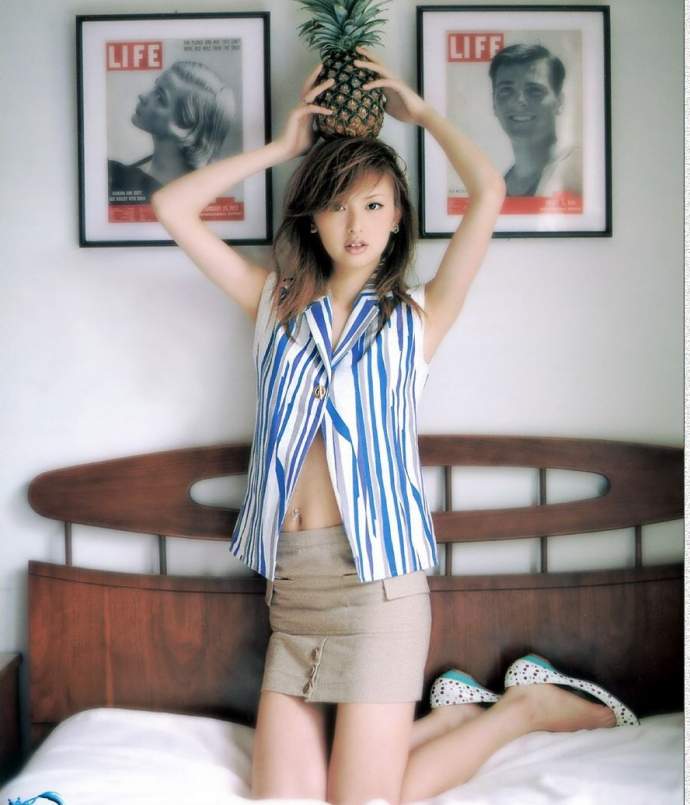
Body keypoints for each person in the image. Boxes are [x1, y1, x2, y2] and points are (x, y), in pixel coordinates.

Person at [151, 48, 635, 804]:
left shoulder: (418, 317)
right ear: (312, 216)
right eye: (338, 205)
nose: (356, 224)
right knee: (283, 801)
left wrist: (425, 114)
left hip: (378, 586)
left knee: (365, 801)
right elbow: (171, 207)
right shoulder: (272, 304)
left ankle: (523, 709)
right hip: (293, 588)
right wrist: (280, 148)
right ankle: (461, 712)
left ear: (399, 215)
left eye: (374, 205)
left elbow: (489, 191)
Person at [108, 60, 236, 204]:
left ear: (184, 128)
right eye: (154, 88)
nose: (142, 96)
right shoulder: (118, 175)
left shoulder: (192, 200)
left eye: (160, 97)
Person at [489, 44, 582, 198]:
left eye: (534, 90)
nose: (519, 101)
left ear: (559, 102)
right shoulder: (498, 188)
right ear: (494, 104)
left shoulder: (582, 169)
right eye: (506, 90)